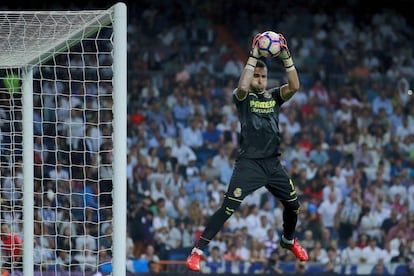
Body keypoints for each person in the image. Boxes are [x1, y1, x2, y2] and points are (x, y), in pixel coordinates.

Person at [186, 31, 308, 272]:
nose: (260, 79)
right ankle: (197, 252)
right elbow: (242, 85)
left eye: (263, 76)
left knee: (294, 205)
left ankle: (288, 239)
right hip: (249, 164)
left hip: (273, 164)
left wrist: (285, 55)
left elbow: (295, 85)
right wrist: (253, 56)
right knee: (228, 208)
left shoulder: (274, 97)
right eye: (257, 76)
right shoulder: (243, 97)